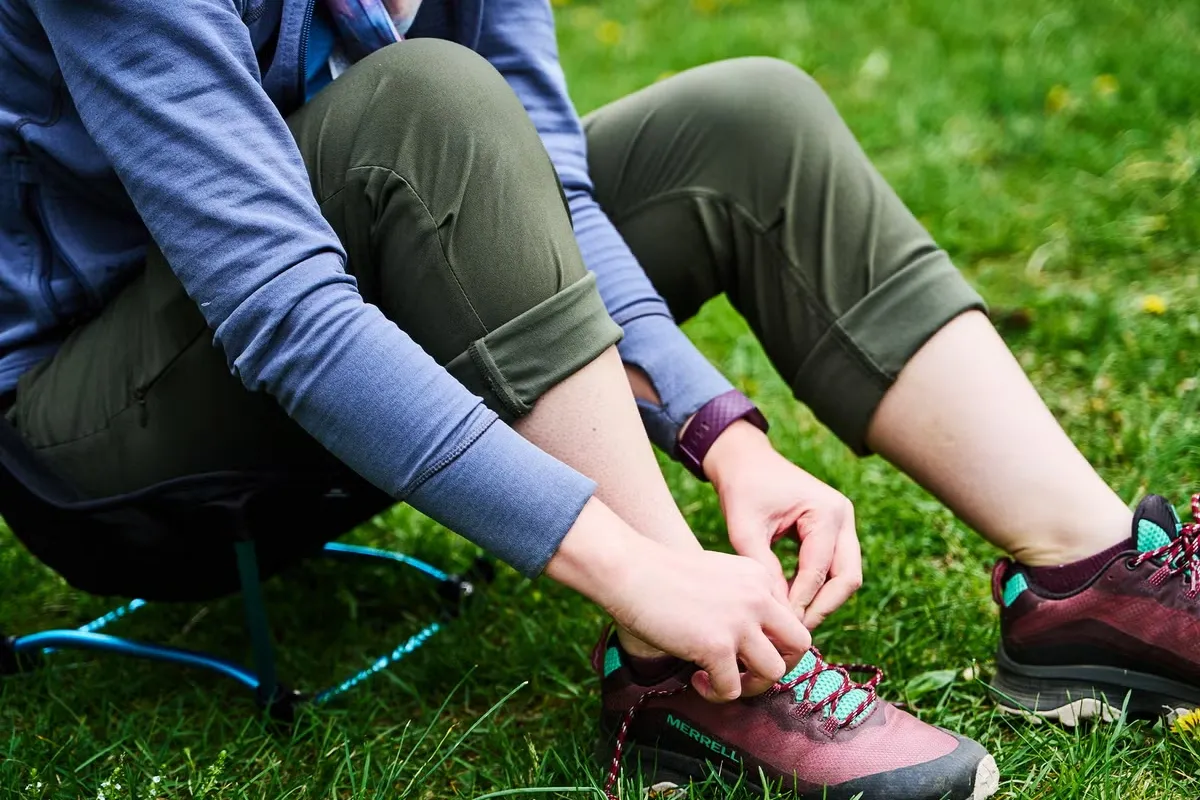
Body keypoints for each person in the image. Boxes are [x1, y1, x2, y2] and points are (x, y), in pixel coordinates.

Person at [1, 0, 1196, 797]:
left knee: (745, 123)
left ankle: (1092, 582)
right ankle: (683, 665)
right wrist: (632, 565)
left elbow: (551, 190)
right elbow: (283, 310)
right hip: (110, 439)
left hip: (377, 318)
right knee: (428, 102)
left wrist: (717, 426)